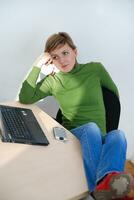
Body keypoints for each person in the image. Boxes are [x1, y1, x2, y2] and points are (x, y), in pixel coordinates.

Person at [19, 32, 134, 200]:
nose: (62, 60)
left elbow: (112, 96)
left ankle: (105, 183)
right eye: (55, 57)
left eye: (65, 53)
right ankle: (97, 190)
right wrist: (38, 64)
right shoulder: (53, 81)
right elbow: (25, 97)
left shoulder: (95, 69)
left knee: (118, 135)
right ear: (50, 60)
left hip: (98, 134)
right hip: (75, 134)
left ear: (75, 52)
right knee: (92, 129)